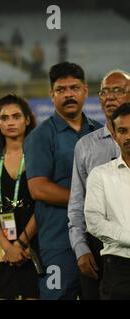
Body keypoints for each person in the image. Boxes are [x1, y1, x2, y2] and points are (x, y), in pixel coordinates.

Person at [24, 62, 102, 300]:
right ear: (51, 94)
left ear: (85, 90)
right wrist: (88, 200)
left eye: (74, 88)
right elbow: (38, 188)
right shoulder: (40, 136)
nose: (68, 94)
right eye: (61, 89)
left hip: (99, 240)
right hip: (58, 242)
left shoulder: (100, 132)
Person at [68, 70, 130, 299]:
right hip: (99, 249)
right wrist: (81, 249)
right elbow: (76, 204)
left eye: (118, 90)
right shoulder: (85, 146)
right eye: (105, 91)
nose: (110, 97)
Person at [0, 94, 38, 299]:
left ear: (27, 120)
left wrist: (20, 244)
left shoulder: (40, 156)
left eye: (16, 116)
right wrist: (6, 246)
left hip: (32, 248)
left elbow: (42, 206)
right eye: (4, 118)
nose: (10, 122)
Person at [85, 103, 130, 300]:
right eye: (123, 130)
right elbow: (94, 222)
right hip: (118, 267)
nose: (129, 136)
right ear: (114, 134)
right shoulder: (100, 174)